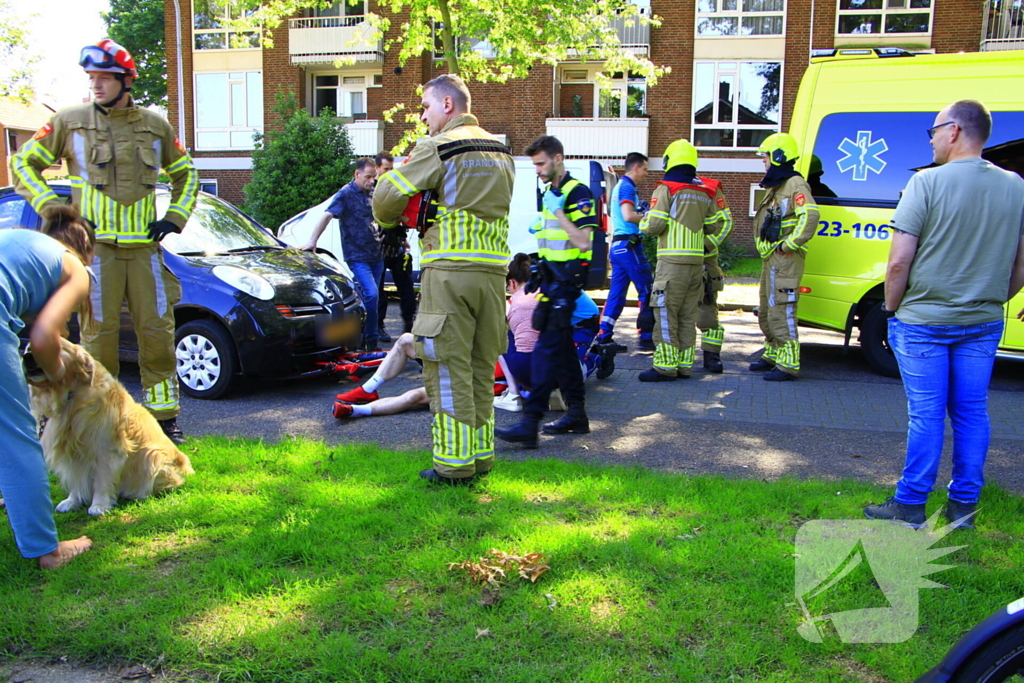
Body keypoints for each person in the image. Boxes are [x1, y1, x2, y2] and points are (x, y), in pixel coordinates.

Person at [10, 40, 199, 445]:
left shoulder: (155, 125)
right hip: (95, 255)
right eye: (91, 77)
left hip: (146, 254)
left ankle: (165, 424)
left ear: (126, 80)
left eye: (104, 78)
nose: (96, 85)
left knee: (157, 337)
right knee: (98, 341)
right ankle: (102, 422)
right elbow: (21, 163)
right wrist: (51, 207)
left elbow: (187, 173)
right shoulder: (69, 120)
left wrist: (174, 217)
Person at [864, 100, 1024, 529]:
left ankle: (911, 504)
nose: (931, 138)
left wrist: (892, 310)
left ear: (953, 130)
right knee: (972, 412)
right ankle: (962, 509)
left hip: (924, 322)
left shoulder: (926, 183)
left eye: (933, 131)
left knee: (928, 415)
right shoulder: (1016, 186)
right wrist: (992, 300)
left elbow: (898, 262)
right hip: (984, 321)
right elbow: (1021, 264)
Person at [372, 74, 514, 484]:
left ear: (447, 106)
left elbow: (385, 196)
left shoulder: (438, 146)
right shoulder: (501, 151)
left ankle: (453, 467)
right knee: (480, 367)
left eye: (426, 107)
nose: (423, 115)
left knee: (447, 369)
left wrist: (389, 222)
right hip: (492, 275)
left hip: (448, 272)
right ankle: (481, 459)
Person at [0, 207, 96, 568]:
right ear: (85, 247)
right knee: (15, 440)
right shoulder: (73, 267)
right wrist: (57, 372)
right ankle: (48, 551)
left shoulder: (22, 241)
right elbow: (42, 338)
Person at [496, 135, 598, 449]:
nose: (537, 170)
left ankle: (529, 424)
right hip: (550, 284)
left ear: (557, 158)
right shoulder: (552, 192)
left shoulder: (577, 193)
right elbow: (555, 244)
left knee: (543, 354)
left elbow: (583, 242)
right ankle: (577, 415)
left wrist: (559, 215)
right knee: (565, 356)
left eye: (541, 163)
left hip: (565, 289)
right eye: (534, 165)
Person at [638, 139, 730, 381]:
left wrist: (643, 219)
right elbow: (714, 225)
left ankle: (665, 367)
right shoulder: (705, 190)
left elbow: (654, 225)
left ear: (670, 160)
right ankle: (684, 366)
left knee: (666, 314)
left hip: (672, 263)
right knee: (688, 316)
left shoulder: (666, 187)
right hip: (696, 265)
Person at [748, 132, 820, 381]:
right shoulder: (779, 185)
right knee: (768, 308)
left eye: (766, 156)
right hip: (772, 260)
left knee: (782, 308)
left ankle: (788, 363)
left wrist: (788, 245)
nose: (764, 161)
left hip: (785, 260)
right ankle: (774, 354)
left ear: (779, 156)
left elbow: (810, 216)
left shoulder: (795, 184)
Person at [302, 158, 382, 350]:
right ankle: (370, 340)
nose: (372, 181)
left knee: (364, 296)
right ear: (357, 174)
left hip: (377, 254)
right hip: (357, 255)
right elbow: (327, 215)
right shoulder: (345, 194)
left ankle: (352, 332)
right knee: (372, 294)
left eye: (374, 177)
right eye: (368, 177)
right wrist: (313, 241)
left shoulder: (373, 191)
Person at [596, 152, 654, 352]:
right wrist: (649, 216)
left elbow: (621, 215)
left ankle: (604, 335)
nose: (646, 173)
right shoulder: (627, 186)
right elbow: (629, 216)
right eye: (645, 169)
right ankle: (646, 337)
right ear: (636, 167)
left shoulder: (620, 187)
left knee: (617, 294)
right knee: (647, 290)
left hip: (618, 248)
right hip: (630, 248)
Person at [373, 152, 417, 342]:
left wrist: (402, 236)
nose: (390, 173)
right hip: (379, 249)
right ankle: (379, 325)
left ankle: (409, 325)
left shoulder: (395, 189)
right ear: (377, 169)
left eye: (392, 169)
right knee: (379, 290)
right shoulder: (372, 190)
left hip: (397, 247)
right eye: (386, 170)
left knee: (406, 288)